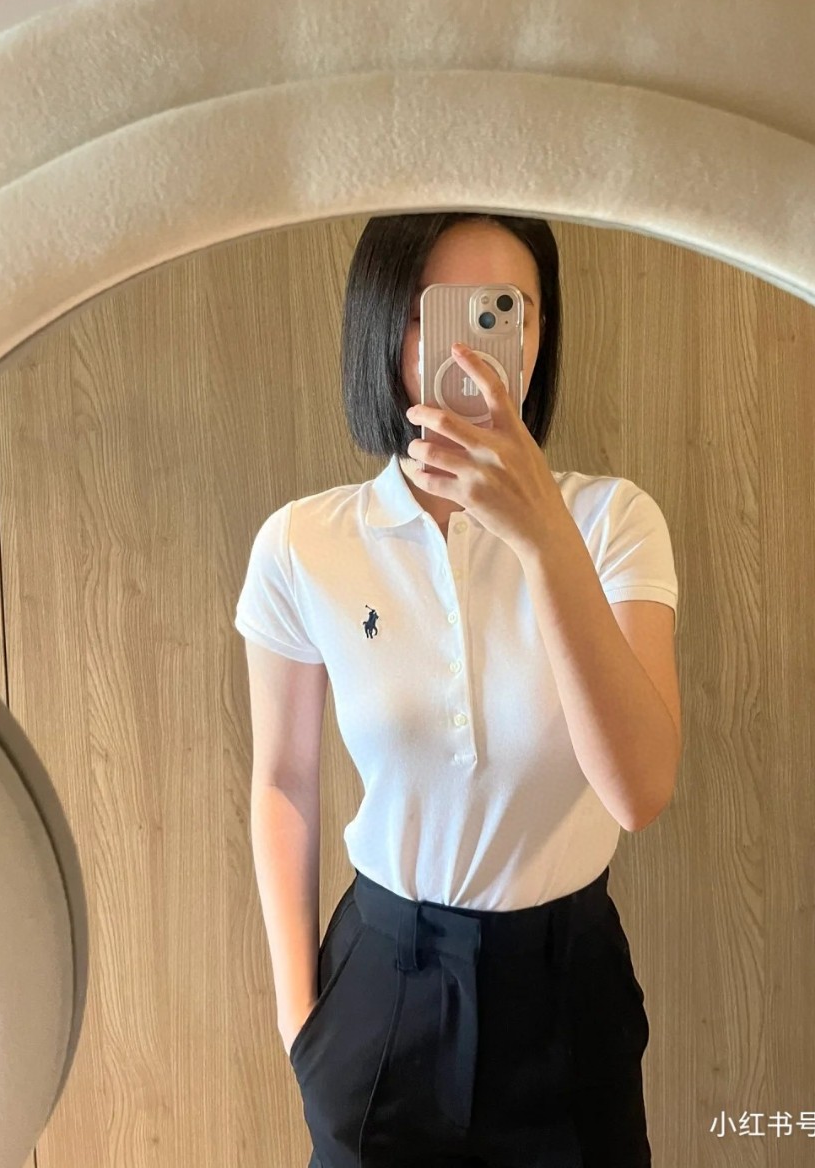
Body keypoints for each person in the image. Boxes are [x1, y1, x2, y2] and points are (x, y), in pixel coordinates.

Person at [236, 212, 681, 1168]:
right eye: (434, 314)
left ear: (541, 331)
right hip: (381, 987)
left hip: (568, 992)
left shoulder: (614, 523)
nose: (475, 350)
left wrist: (543, 535)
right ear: (382, 327)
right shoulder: (303, 544)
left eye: (504, 310)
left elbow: (640, 791)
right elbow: (283, 780)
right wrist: (299, 1018)